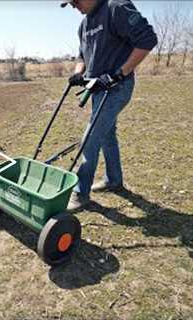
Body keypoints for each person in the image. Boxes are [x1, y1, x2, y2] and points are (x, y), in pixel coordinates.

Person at [61, 0, 157, 211]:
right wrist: (79, 72)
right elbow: (82, 54)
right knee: (106, 134)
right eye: (70, 4)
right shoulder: (84, 24)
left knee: (90, 138)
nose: (74, 6)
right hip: (96, 89)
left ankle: (80, 192)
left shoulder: (116, 7)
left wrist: (119, 74)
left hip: (117, 87)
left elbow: (147, 39)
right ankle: (114, 180)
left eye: (75, 1)